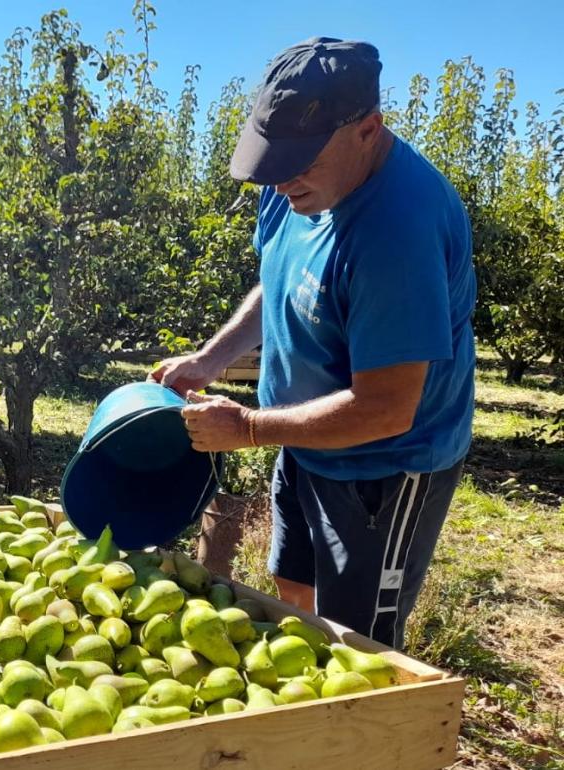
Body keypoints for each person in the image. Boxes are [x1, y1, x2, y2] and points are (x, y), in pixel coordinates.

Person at [152, 38, 475, 649]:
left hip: (383, 468)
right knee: (290, 589)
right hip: (300, 441)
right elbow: (280, 282)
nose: (281, 184)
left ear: (368, 130)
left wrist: (248, 428)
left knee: (358, 642)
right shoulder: (293, 185)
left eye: (300, 162)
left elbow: (386, 409)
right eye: (274, 163)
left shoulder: (397, 234)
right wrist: (209, 359)